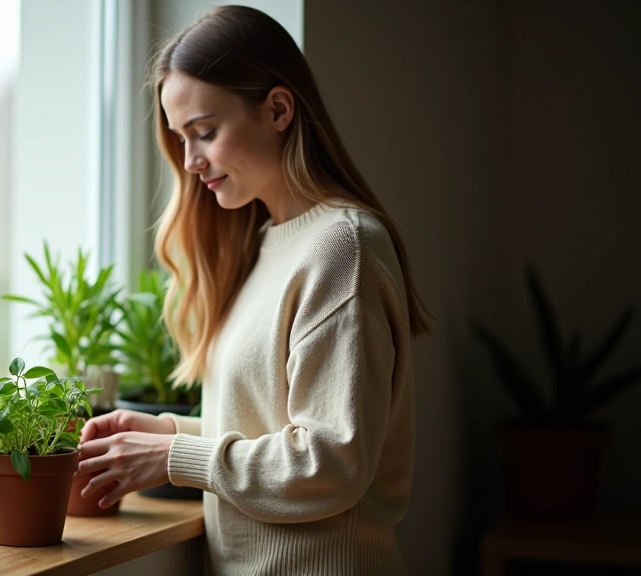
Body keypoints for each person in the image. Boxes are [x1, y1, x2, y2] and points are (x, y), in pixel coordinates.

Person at [77, 5, 428, 574]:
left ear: (279, 109)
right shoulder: (269, 243)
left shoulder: (342, 248)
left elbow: (331, 463)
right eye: (181, 139)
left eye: (206, 132)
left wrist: (174, 457)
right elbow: (273, 425)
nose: (191, 162)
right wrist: (168, 432)